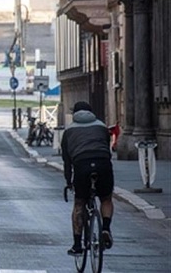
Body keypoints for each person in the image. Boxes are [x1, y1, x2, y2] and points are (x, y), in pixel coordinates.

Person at [61, 101, 115, 255]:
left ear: (74, 114)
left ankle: (77, 245)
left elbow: (67, 160)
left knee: (79, 204)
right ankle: (105, 228)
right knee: (106, 199)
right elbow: (107, 147)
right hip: (102, 163)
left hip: (82, 165)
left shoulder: (69, 131)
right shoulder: (102, 126)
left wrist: (69, 181)